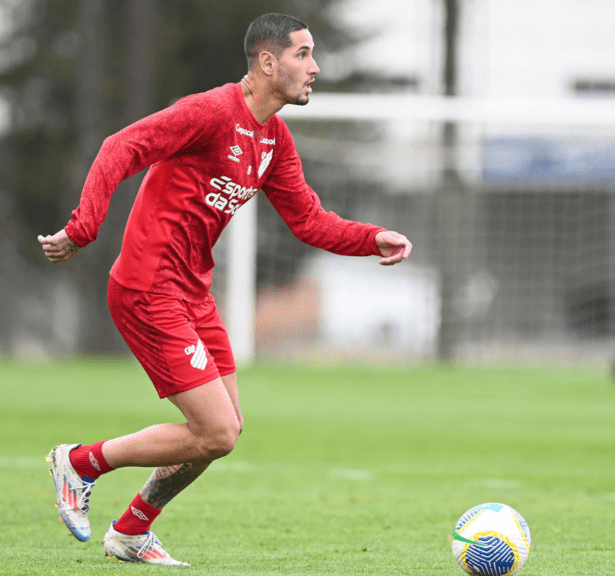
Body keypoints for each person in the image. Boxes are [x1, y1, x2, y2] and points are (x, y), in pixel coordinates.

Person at [37, 13, 412, 564]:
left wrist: (371, 236)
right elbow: (122, 146)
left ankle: (132, 530)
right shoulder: (211, 112)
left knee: (223, 430)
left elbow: (309, 220)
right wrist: (84, 226)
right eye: (303, 55)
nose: (315, 67)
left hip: (192, 293)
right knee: (216, 432)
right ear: (267, 62)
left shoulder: (274, 139)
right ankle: (80, 462)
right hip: (148, 288)